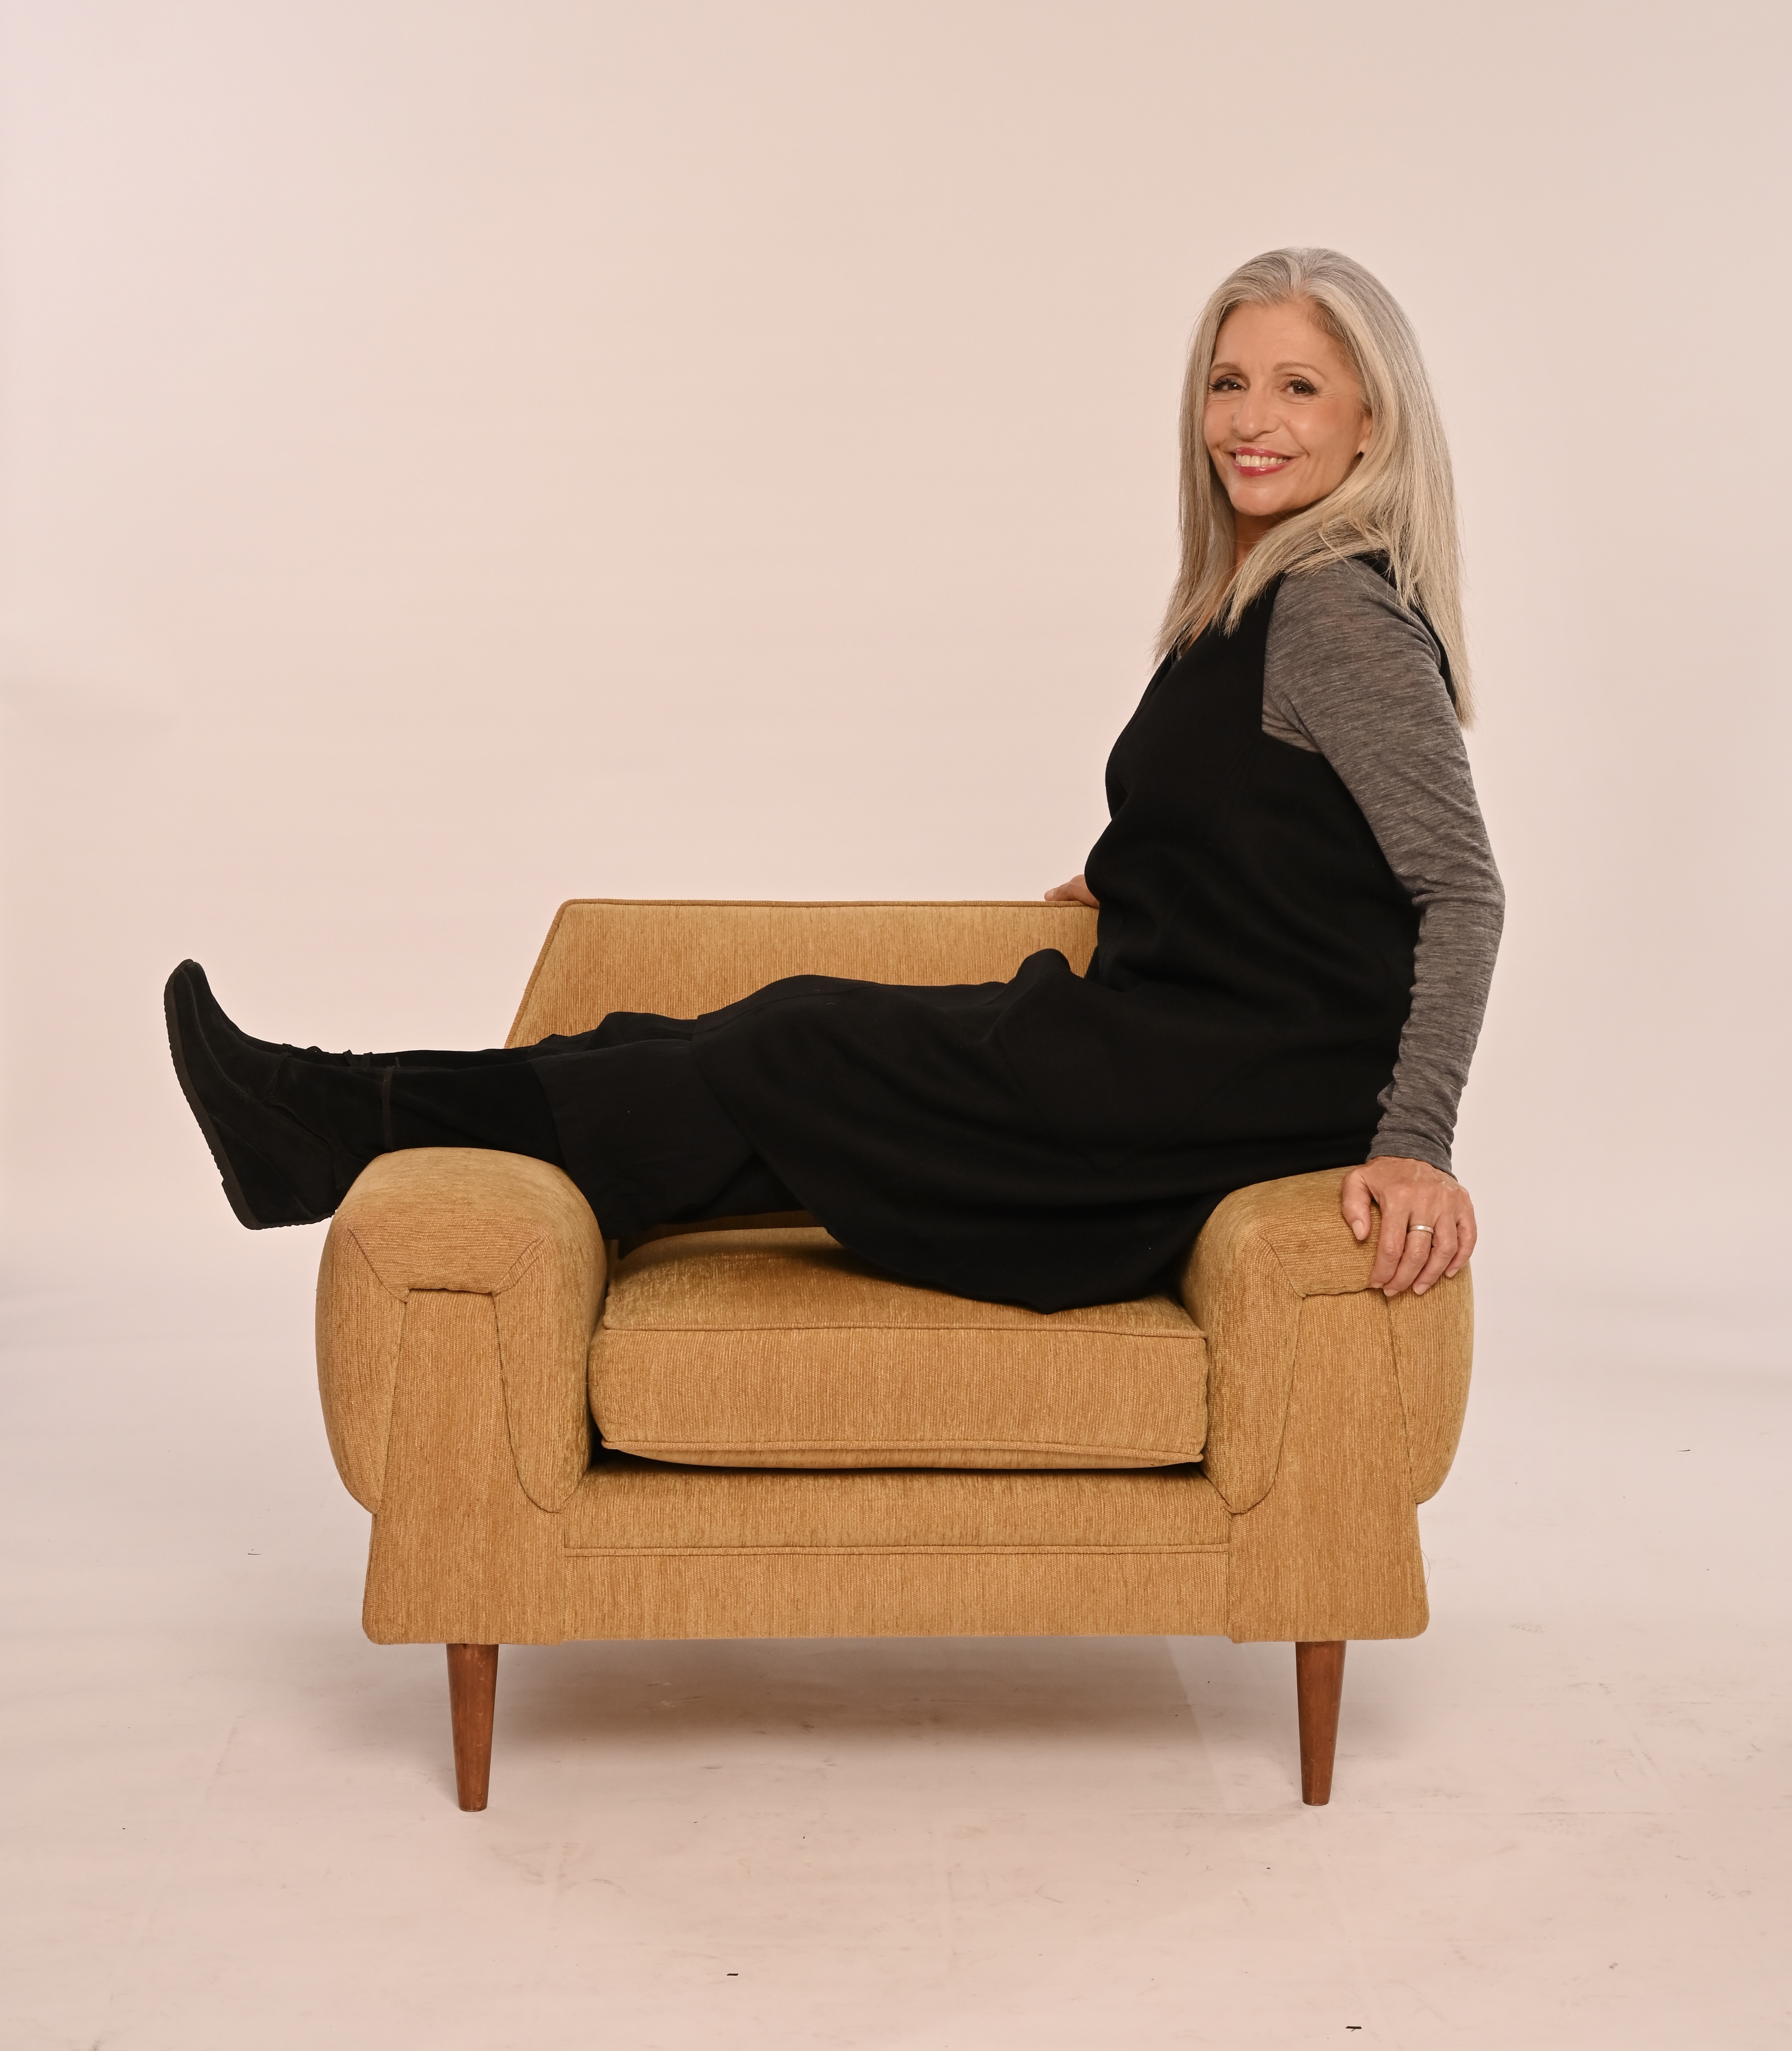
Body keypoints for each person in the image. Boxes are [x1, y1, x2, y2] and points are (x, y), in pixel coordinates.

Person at [166, 247, 1503, 1314]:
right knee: (726, 1052)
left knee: (787, 1042)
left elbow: (1461, 891)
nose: (1251, 421)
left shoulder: (1334, 611)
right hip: (1167, 1058)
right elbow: (1273, 823)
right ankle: (324, 1117)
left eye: (1298, 388)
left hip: (1215, 1094)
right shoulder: (1252, 602)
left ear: (1371, 422)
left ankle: (327, 1117)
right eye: (1229, 383)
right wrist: (1144, 875)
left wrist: (1414, 1145)